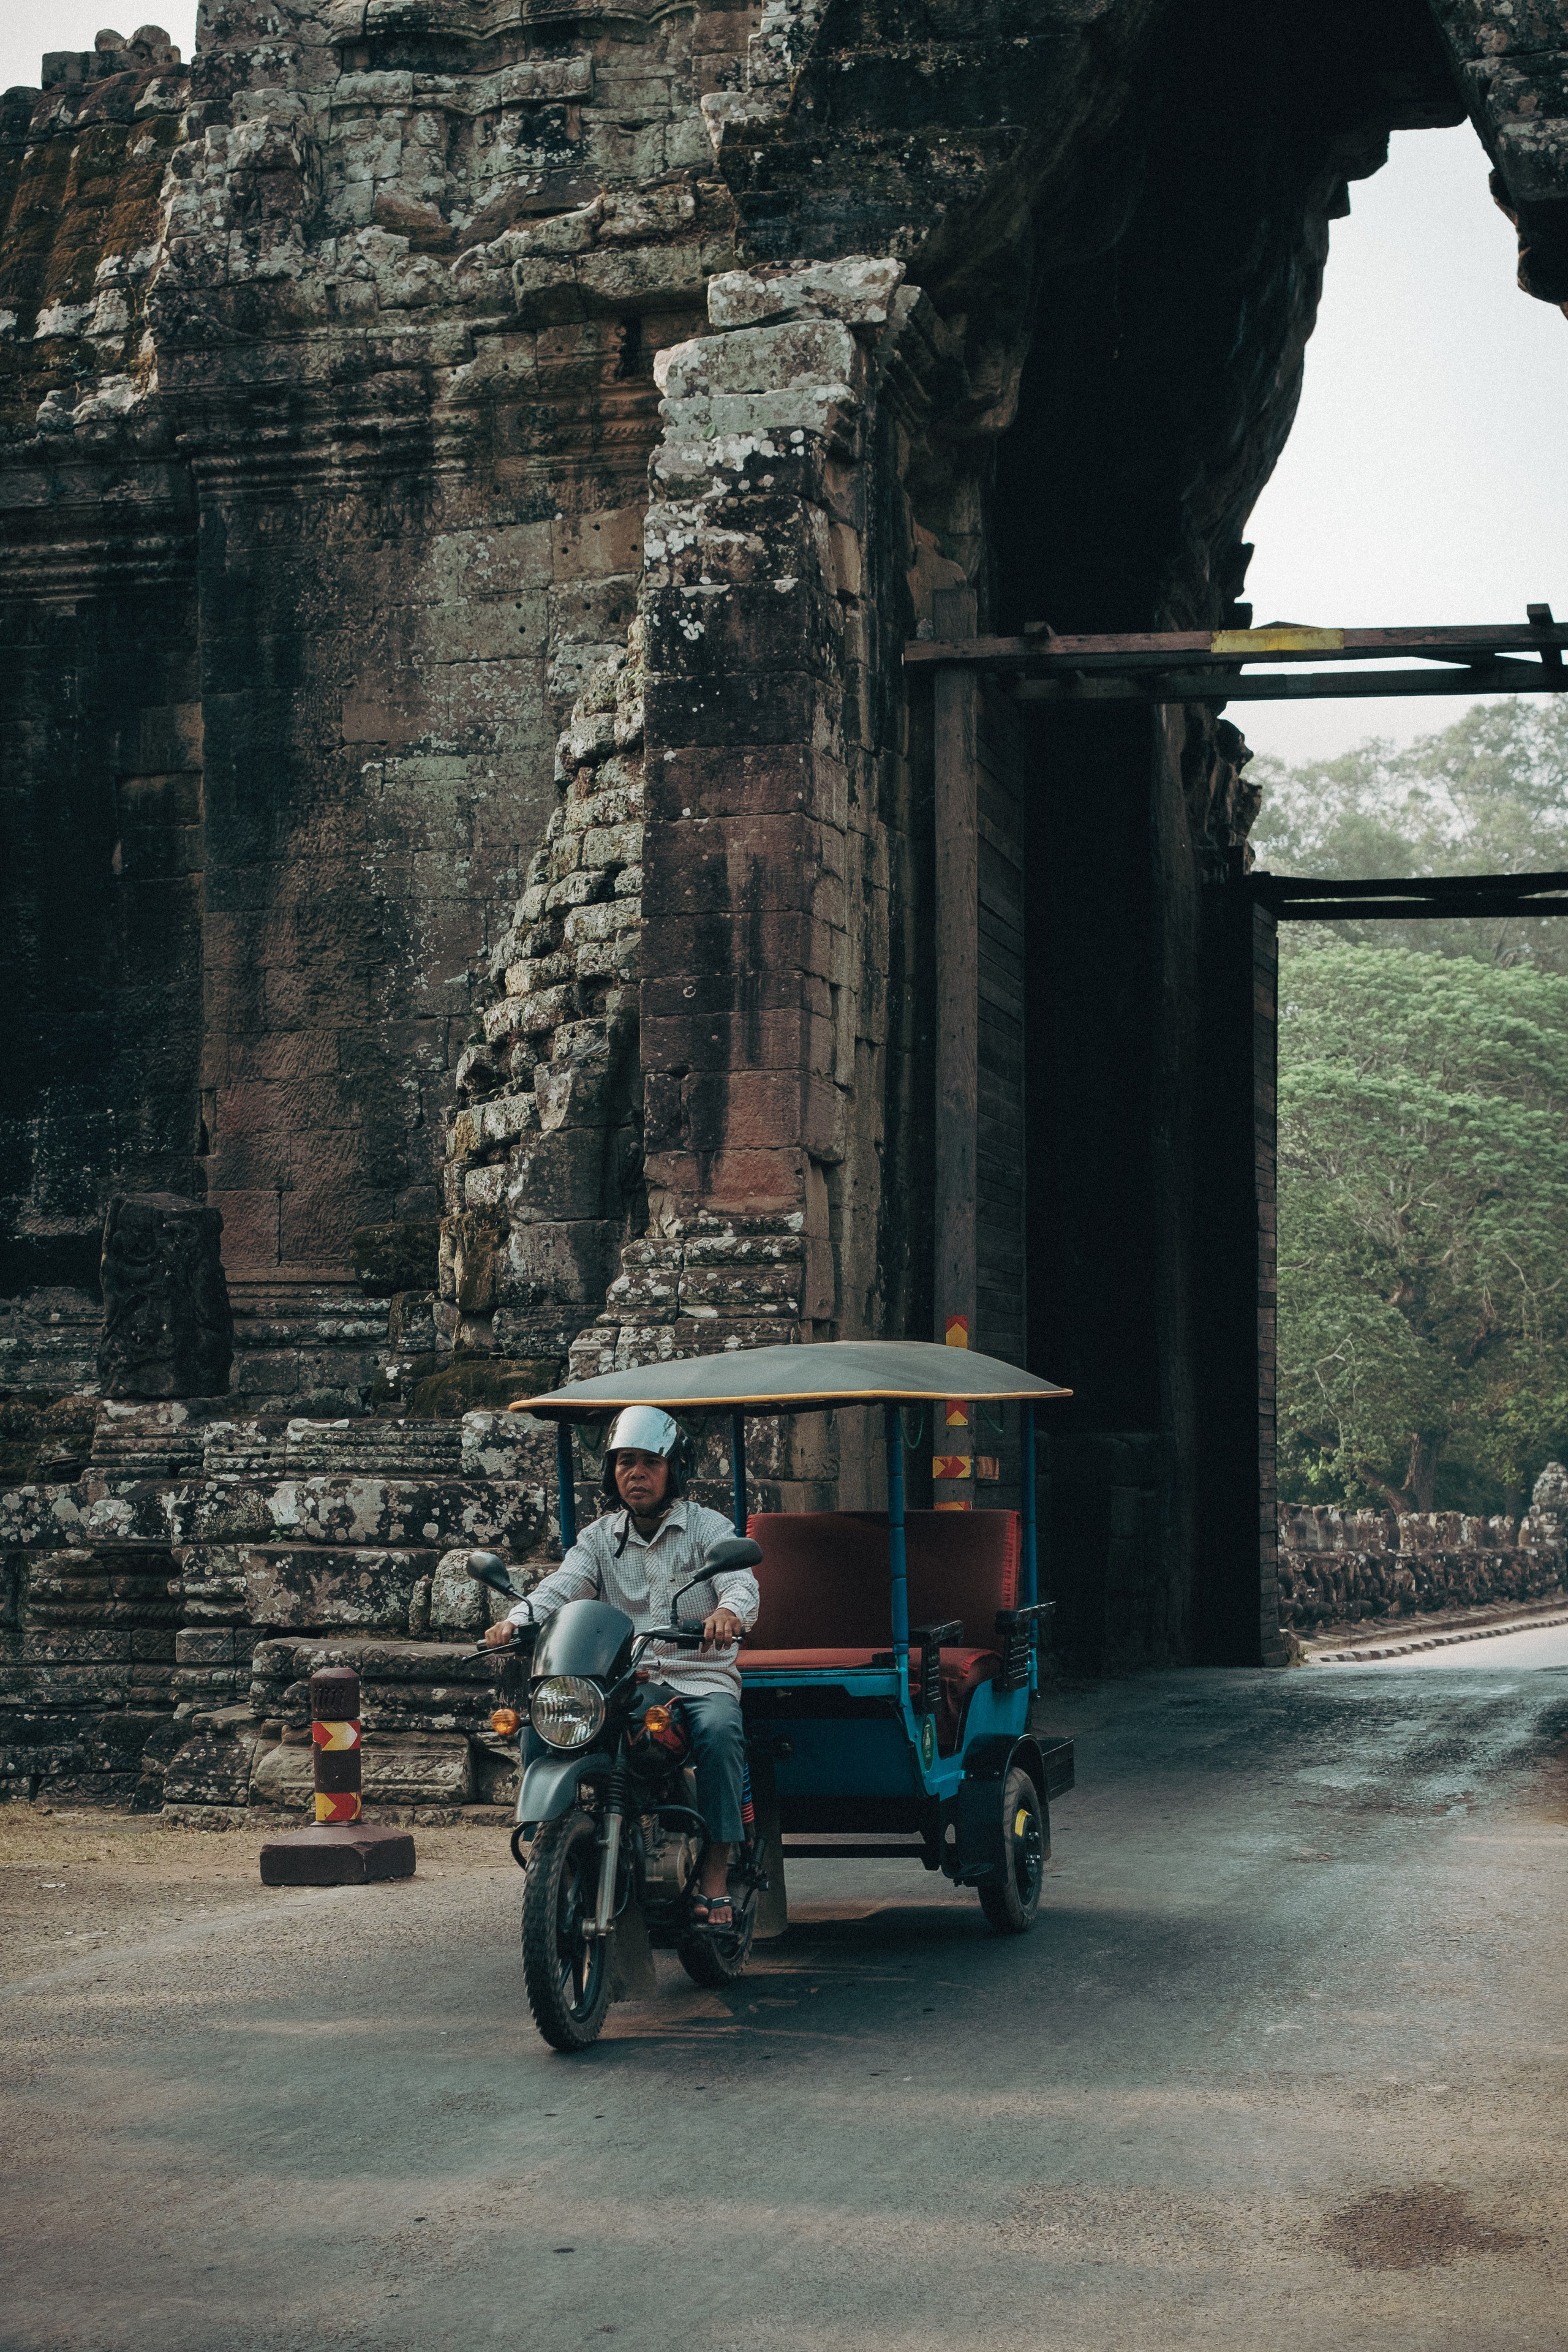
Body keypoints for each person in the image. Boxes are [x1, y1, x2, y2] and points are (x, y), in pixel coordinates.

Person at [485, 1404, 758, 1930]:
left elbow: (741, 1582)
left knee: (722, 1733)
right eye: (625, 1462)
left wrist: (728, 1613)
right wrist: (517, 1619)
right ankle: (554, 1851)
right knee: (541, 1726)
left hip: (695, 1676)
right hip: (621, 1683)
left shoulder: (708, 1528)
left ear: (674, 1469)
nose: (636, 1473)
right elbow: (563, 1587)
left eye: (650, 1462)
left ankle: (717, 1874)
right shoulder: (598, 1539)